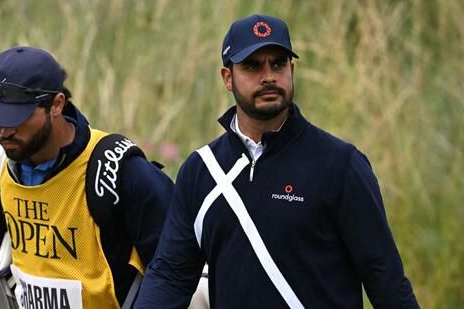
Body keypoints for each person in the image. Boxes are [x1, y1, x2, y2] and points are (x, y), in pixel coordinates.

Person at [135, 14, 420, 308]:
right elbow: (171, 275)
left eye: (278, 63)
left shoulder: (340, 165)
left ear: (292, 70)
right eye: (253, 66)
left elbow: (385, 280)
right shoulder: (201, 171)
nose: (269, 76)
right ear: (227, 78)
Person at [0, 46, 174, 309]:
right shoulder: (0, 160)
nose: (3, 133)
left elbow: (172, 270)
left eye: (16, 118)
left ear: (56, 104)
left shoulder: (118, 172)